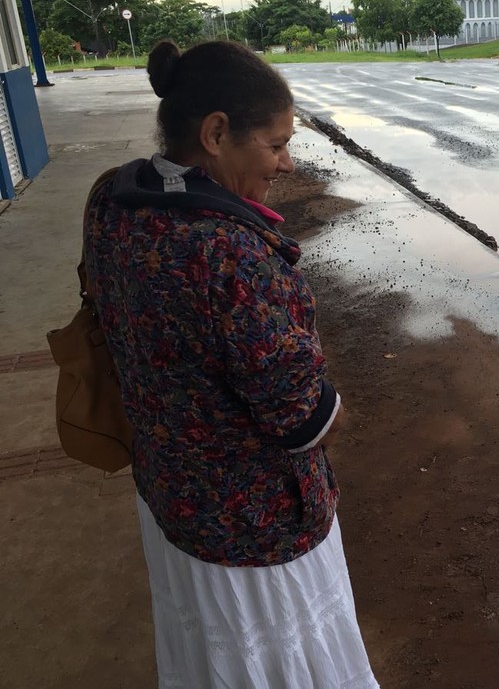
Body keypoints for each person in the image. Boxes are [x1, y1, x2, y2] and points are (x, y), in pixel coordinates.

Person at [83, 39, 379, 688]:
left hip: (172, 502)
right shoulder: (230, 256)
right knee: (280, 664)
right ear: (217, 133)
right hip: (257, 537)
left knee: (209, 659)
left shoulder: (113, 204)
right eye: (275, 144)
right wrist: (336, 409)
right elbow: (303, 421)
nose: (286, 161)